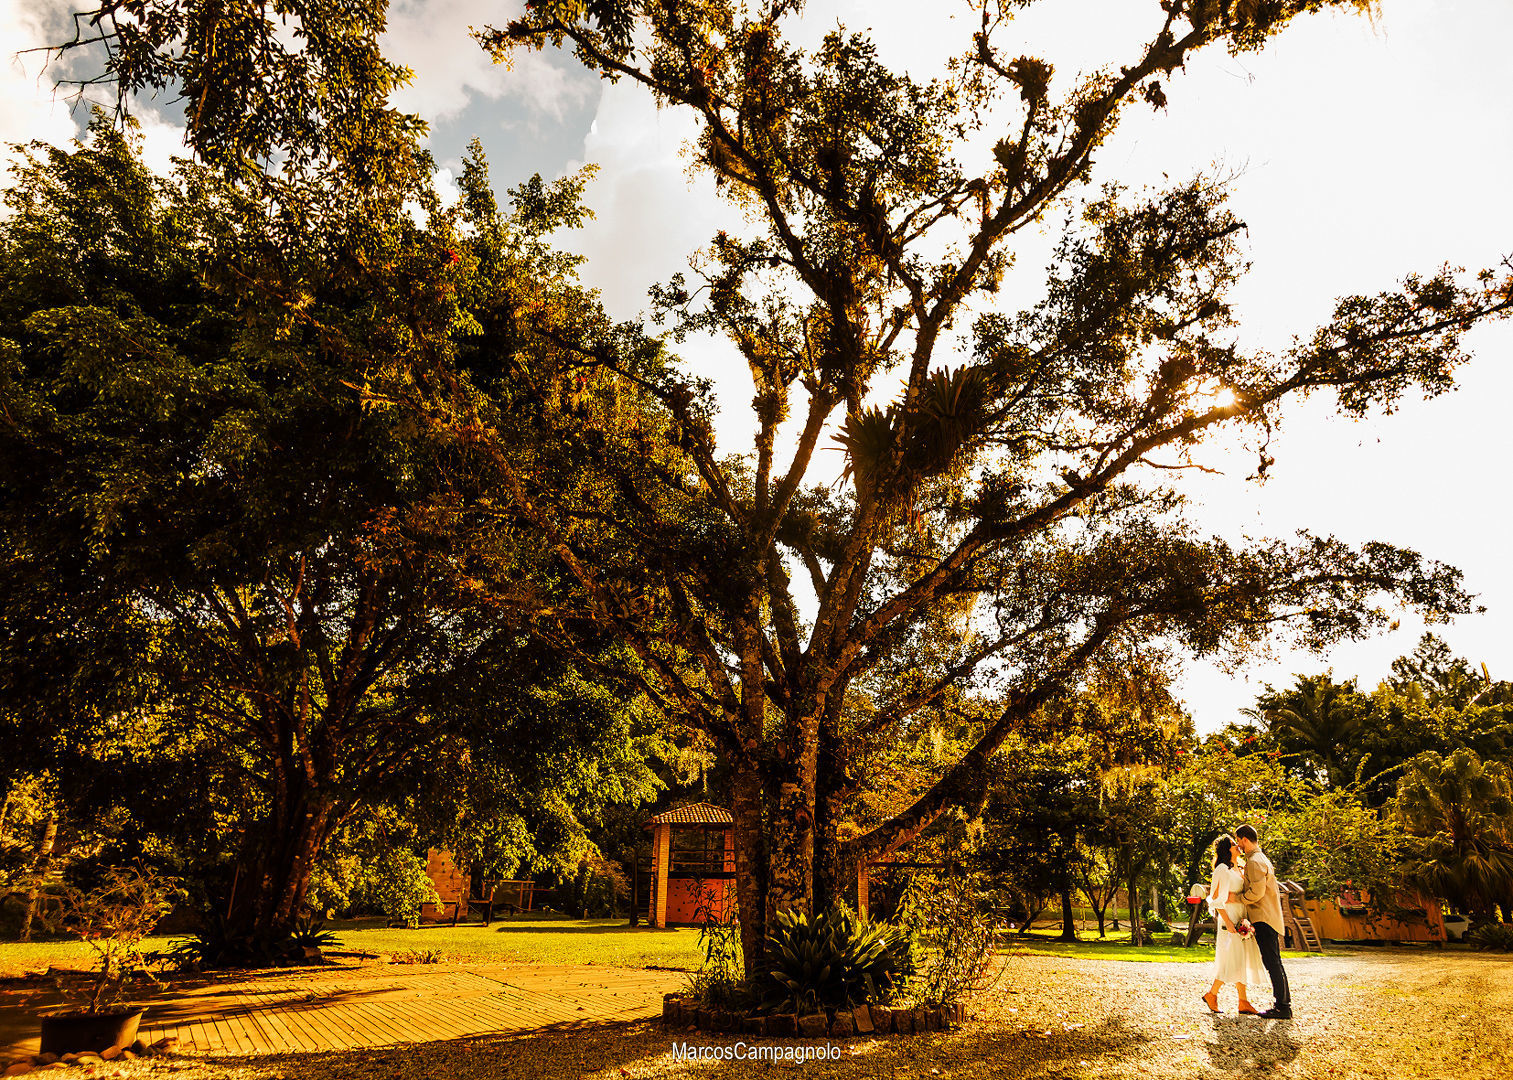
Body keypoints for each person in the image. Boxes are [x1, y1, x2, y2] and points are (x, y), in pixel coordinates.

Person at [1201, 835, 1265, 1015]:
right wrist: (1228, 922)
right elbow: (1214, 898)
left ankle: (1242, 1001)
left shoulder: (1239, 868)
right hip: (1229, 918)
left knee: (1240, 958)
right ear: (1226, 849)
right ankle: (1212, 994)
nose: (1237, 845)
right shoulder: (1222, 869)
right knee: (1230, 957)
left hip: (1241, 916)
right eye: (1233, 844)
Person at [1235, 822, 1292, 1019]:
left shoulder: (1255, 861)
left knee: (1272, 962)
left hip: (1263, 917)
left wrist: (1238, 899)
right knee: (1274, 961)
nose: (1238, 846)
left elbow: (1257, 893)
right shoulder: (1259, 858)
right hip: (1267, 916)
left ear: (1244, 839)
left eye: (1239, 841)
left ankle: (1283, 1007)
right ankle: (1283, 1004)